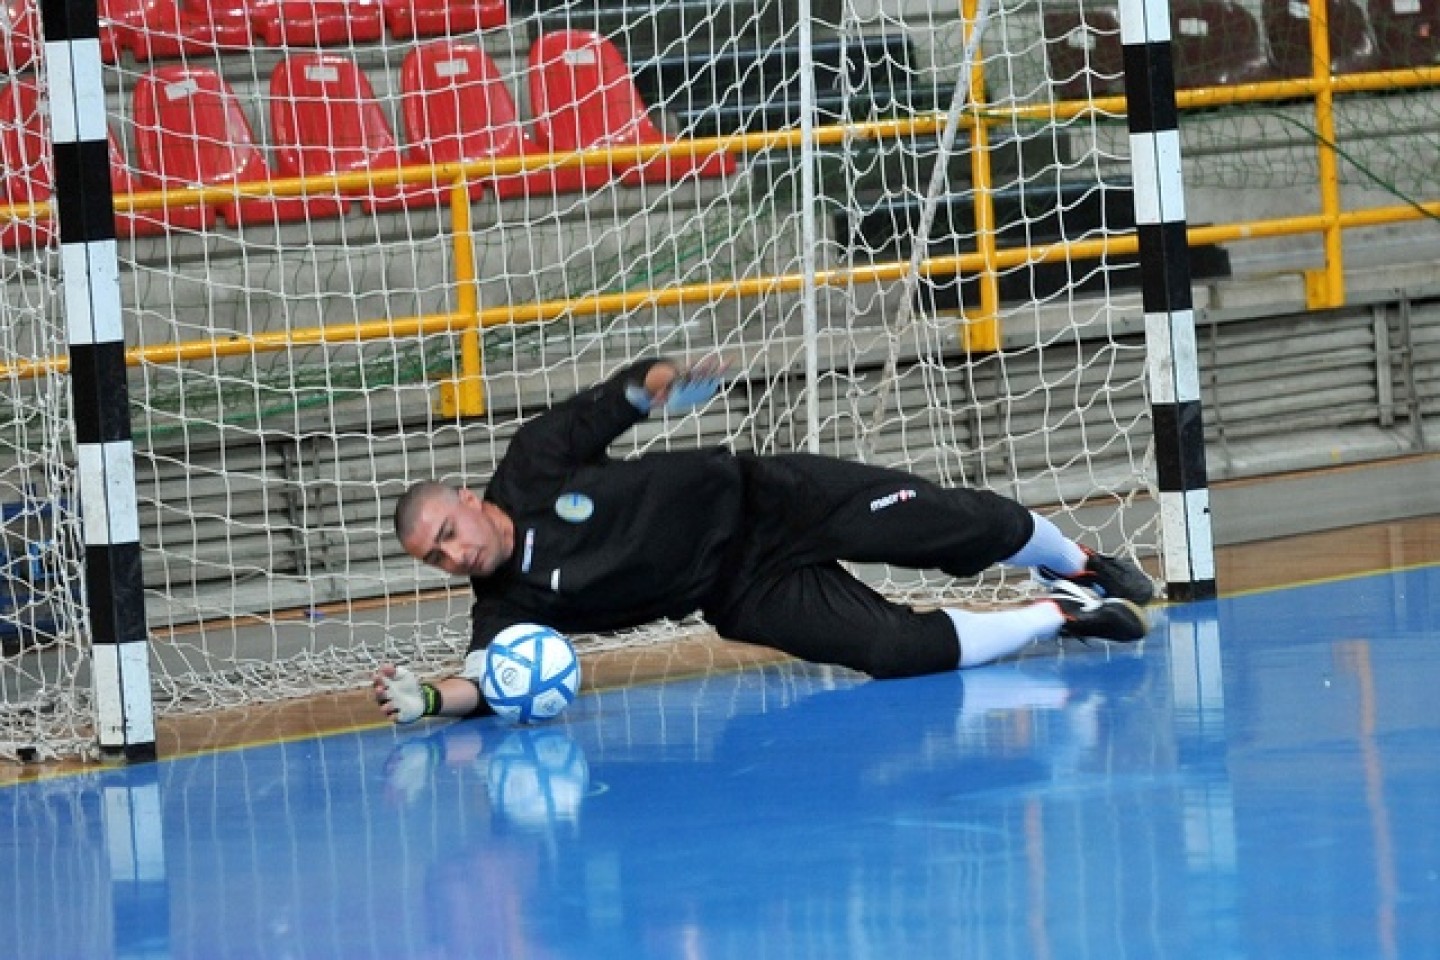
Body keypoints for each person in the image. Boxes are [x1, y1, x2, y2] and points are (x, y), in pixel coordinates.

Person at [373, 357, 1155, 723]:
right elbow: (490, 679)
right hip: (742, 592)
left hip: (775, 498)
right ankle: (1064, 612)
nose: (454, 554)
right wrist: (434, 697)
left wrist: (658, 381)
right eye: (435, 557)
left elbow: (613, 401)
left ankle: (1082, 561)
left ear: (468, 502)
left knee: (963, 524)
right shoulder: (505, 604)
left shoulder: (532, 464)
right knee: (896, 654)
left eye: (449, 532)